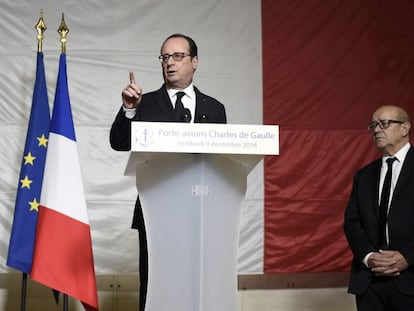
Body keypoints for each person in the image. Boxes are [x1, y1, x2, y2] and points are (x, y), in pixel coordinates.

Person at [109, 33, 226, 311]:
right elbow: (119, 142)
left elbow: (221, 161)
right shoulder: (145, 103)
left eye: (177, 56)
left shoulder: (215, 108)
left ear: (194, 61)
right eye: (164, 57)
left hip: (201, 212)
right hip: (155, 212)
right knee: (155, 288)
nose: (169, 63)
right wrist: (128, 109)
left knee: (197, 285)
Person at [344, 105, 414, 310]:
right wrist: (369, 257)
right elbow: (352, 222)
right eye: (373, 125)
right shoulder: (364, 175)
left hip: (410, 279)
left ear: (405, 128)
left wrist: (407, 257)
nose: (376, 130)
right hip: (369, 283)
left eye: (384, 123)